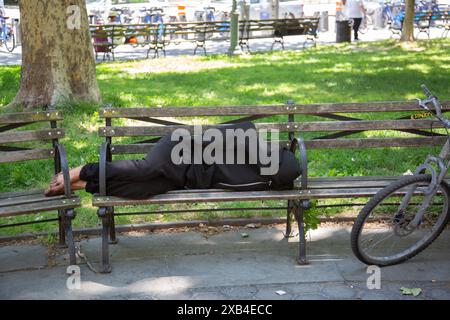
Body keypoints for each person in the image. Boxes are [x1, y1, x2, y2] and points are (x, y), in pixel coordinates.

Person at [45, 122, 301, 200]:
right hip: (178, 149)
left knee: (141, 189)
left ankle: (86, 185)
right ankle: (82, 170)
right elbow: (204, 136)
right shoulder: (248, 137)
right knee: (145, 169)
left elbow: (228, 185)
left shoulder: (262, 182)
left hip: (183, 180)